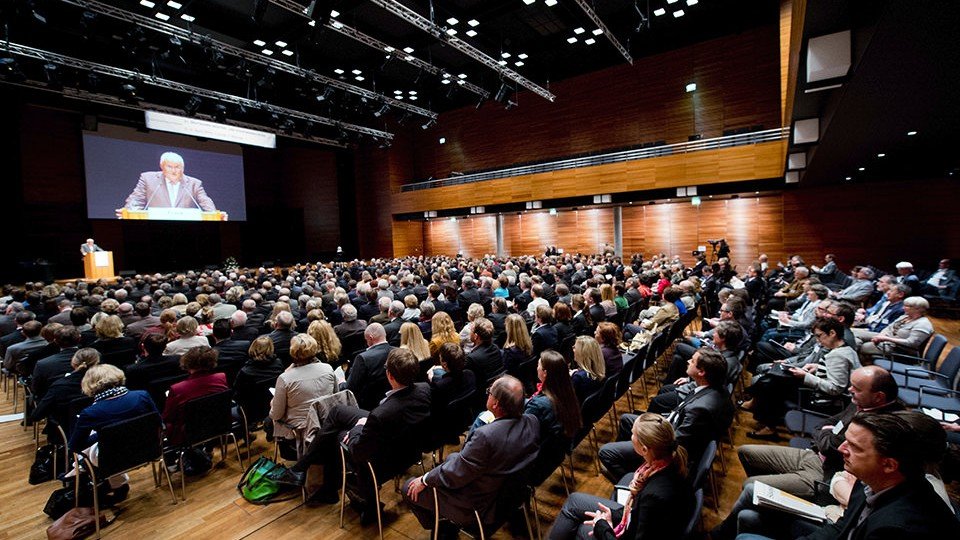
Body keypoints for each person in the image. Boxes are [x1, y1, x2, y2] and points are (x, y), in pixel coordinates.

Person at [711, 366, 904, 540]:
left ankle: (721, 534)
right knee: (746, 452)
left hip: (824, 474)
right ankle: (770, 497)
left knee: (752, 487)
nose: (849, 390)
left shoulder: (886, 426)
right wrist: (826, 436)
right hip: (813, 454)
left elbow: (833, 446)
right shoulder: (860, 401)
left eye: (857, 388)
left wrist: (827, 436)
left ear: (878, 396)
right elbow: (822, 426)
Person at [280, 348, 431, 514]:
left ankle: (326, 486)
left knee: (336, 435)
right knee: (337, 412)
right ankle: (304, 467)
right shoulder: (425, 389)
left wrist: (358, 428)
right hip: (408, 448)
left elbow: (358, 452)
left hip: (383, 462)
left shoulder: (380, 415)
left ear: (390, 375)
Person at [403, 375, 540, 538]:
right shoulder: (532, 421)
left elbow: (453, 475)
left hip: (477, 507)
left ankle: (444, 527)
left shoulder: (485, 436)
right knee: (452, 458)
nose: (487, 394)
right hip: (509, 496)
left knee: (409, 488)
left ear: (495, 404)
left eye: (490, 392)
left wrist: (424, 479)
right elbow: (463, 465)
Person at [549, 413, 693, 540]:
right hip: (634, 519)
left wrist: (602, 527)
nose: (631, 436)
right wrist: (612, 515)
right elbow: (637, 513)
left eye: (633, 434)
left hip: (633, 530)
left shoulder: (654, 496)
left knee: (582, 529)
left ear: (644, 449)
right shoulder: (670, 462)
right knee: (574, 501)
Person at [525, 350, 582, 485]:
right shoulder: (567, 393)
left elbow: (521, 436)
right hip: (553, 457)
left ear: (545, 373)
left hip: (532, 465)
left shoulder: (539, 405)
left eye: (538, 365)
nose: (536, 367)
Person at [269, 334, 337, 442]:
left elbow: (276, 415)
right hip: (327, 425)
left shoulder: (285, 378)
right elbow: (335, 397)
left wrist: (273, 402)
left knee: (268, 422)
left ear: (293, 352)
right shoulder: (327, 368)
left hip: (299, 431)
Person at [117, 152, 225, 219]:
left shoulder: (194, 184)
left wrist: (215, 215)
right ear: (162, 166)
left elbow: (207, 204)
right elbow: (136, 200)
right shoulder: (148, 179)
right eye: (169, 166)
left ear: (183, 168)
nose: (174, 171)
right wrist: (129, 212)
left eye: (177, 167)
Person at [162, 346, 229, 447]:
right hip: (219, 425)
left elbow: (168, 417)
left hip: (188, 433)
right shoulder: (221, 377)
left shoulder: (177, 389)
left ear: (187, 363)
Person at [571, 335, 605, 403]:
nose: (573, 349)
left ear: (582, 353)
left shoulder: (578, 378)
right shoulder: (598, 370)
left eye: (575, 347)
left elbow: (568, 400)